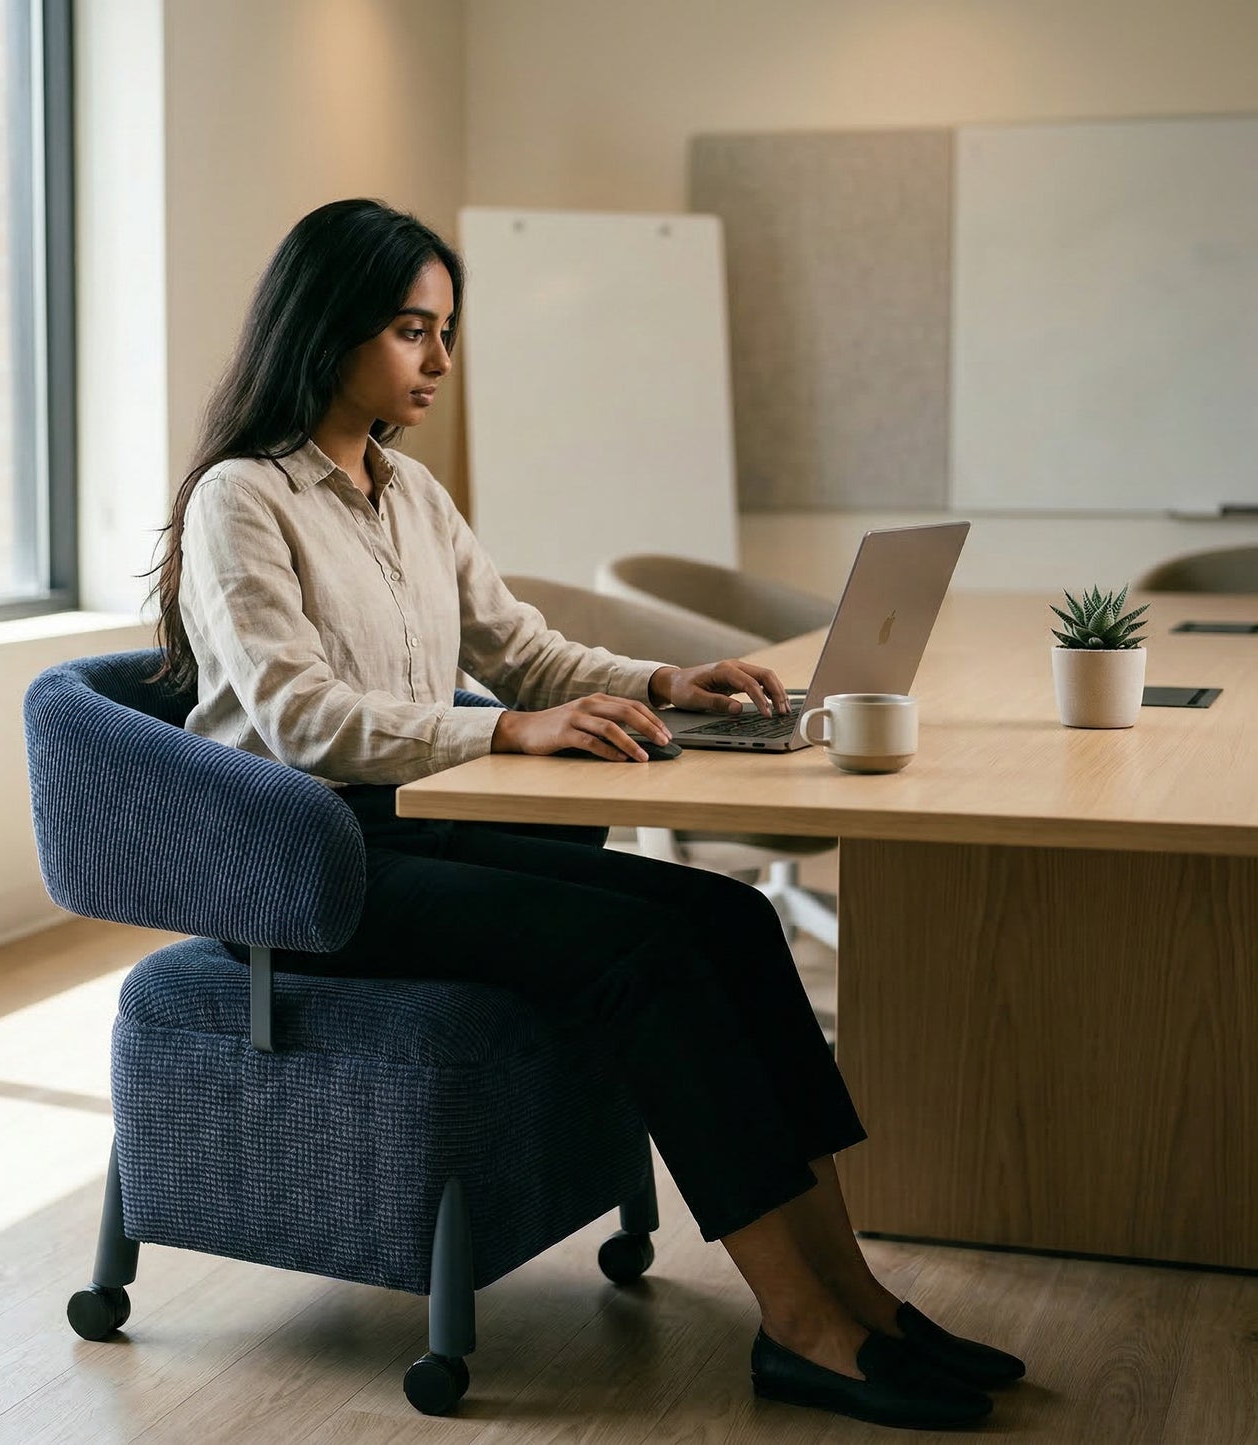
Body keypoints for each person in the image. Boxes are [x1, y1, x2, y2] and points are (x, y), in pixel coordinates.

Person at [148, 198, 1022, 1431]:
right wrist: (503, 729)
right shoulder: (243, 498)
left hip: (425, 824)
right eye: (411, 330)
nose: (440, 360)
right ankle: (799, 1323)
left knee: (726, 917)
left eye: (445, 329)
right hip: (315, 865)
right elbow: (299, 716)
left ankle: (856, 1290)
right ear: (326, 328)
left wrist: (658, 682)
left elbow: (520, 648)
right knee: (645, 951)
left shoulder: (410, 494)